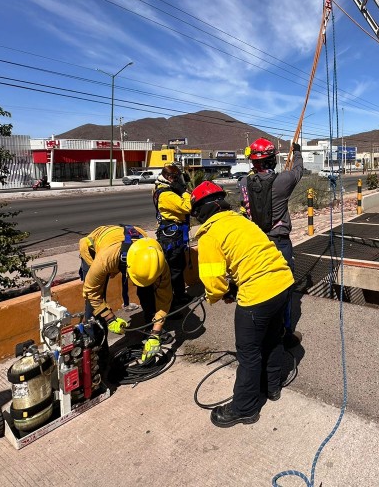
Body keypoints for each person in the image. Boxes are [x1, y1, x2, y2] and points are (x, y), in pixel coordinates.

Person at [191, 181, 294, 428]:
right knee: (273, 339)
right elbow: (250, 256)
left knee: (249, 354)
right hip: (283, 282)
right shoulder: (241, 221)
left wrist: (216, 295)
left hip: (258, 296)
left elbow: (214, 282)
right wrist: (234, 286)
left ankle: (245, 408)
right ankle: (272, 387)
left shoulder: (209, 235)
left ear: (200, 212)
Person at [239, 138, 303, 339]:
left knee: (262, 285)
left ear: (253, 162)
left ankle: (263, 328)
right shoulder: (282, 181)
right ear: (272, 159)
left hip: (256, 242)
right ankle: (285, 332)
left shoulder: (243, 182)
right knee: (284, 287)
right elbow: (298, 170)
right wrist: (297, 152)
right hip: (279, 241)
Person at [78, 225, 172, 363]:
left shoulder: (158, 262)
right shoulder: (106, 259)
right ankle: (94, 351)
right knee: (93, 309)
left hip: (131, 241)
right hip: (94, 247)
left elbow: (165, 298)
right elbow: (91, 291)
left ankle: (150, 327)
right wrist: (110, 318)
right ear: (129, 267)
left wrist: (155, 333)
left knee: (147, 291)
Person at [152, 163, 193, 307]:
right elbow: (188, 207)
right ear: (169, 177)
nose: (179, 181)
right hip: (171, 236)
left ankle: (180, 295)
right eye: (176, 178)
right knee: (173, 270)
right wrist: (184, 192)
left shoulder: (164, 189)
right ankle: (172, 302)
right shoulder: (166, 194)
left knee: (178, 266)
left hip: (174, 234)